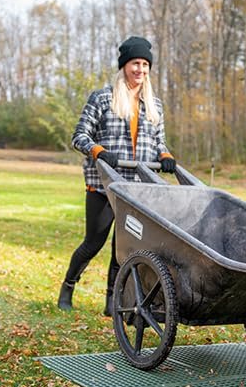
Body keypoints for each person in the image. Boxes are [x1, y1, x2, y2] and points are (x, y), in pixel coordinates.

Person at [57, 36, 176, 316]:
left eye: (145, 65)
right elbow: (80, 136)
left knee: (123, 249)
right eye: (135, 63)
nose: (140, 70)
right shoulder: (102, 98)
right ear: (124, 66)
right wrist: (98, 150)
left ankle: (112, 302)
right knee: (93, 243)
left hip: (137, 191)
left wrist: (166, 156)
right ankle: (68, 287)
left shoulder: (155, 105)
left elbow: (159, 142)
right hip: (104, 186)